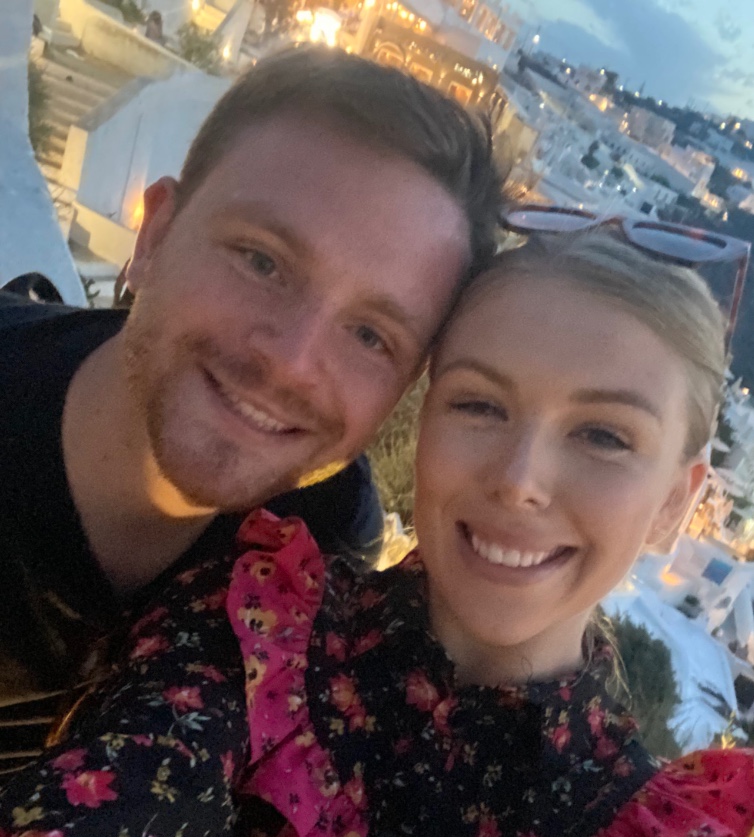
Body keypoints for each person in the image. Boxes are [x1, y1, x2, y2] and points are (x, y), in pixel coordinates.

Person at [5, 222, 752, 837]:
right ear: (424, 423)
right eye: (479, 404)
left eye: (603, 435)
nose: (519, 479)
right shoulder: (252, 636)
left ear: (675, 502)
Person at [0, 45, 501, 779]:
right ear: (154, 236)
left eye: (370, 336)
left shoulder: (321, 539)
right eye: (261, 261)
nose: (292, 361)